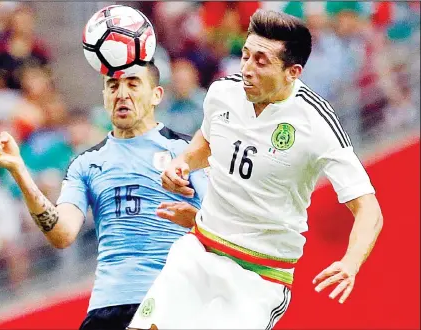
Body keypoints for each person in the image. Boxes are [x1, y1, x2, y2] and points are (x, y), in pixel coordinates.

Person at [128, 10, 383, 330]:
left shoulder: (315, 122)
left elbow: (368, 208)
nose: (246, 68)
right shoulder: (223, 93)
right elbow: (206, 143)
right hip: (198, 252)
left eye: (261, 61)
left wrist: (351, 261)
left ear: (293, 71)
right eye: (245, 56)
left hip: (258, 278)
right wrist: (183, 163)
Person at [0, 60, 207, 330]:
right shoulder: (86, 164)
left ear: (156, 95)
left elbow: (228, 224)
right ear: (104, 96)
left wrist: (196, 218)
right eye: (112, 86)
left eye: (133, 84)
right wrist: (19, 170)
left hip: (170, 300)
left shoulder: (188, 152)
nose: (121, 94)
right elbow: (62, 233)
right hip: (107, 308)